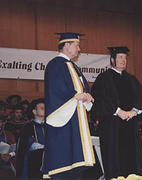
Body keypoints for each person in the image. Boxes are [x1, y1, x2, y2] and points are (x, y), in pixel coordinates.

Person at [42, 32, 95, 179]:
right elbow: (57, 92)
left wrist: (86, 96)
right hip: (64, 123)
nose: (79, 49)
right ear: (67, 45)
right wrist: (77, 96)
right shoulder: (55, 65)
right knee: (64, 164)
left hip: (76, 121)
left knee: (76, 166)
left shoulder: (73, 67)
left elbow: (82, 90)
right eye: (77, 45)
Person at [91, 46, 142, 179]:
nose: (123, 60)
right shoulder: (104, 78)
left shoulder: (131, 79)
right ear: (112, 60)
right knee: (114, 159)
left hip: (131, 125)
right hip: (112, 126)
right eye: (120, 57)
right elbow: (98, 100)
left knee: (132, 160)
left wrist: (134, 111)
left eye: (125, 58)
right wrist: (117, 111)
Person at [16, 98, 45, 179]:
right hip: (33, 160)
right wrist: (41, 146)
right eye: (42, 108)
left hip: (48, 159)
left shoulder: (50, 126)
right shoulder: (27, 127)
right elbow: (26, 144)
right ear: (34, 111)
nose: (45, 110)